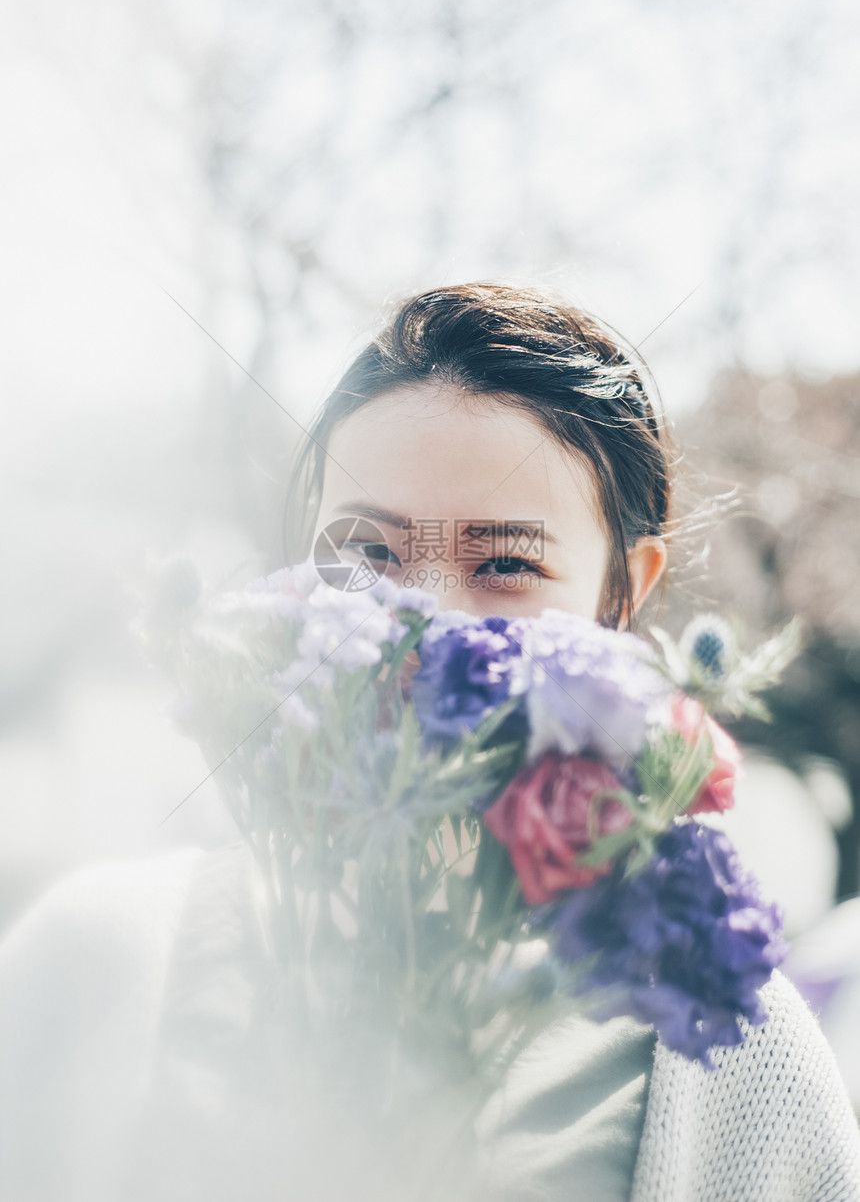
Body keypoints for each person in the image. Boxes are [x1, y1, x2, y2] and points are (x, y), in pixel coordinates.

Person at [1, 281, 858, 1202]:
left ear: (622, 594)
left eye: (505, 564)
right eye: (366, 553)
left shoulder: (729, 1043)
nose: (425, 623)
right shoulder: (92, 960)